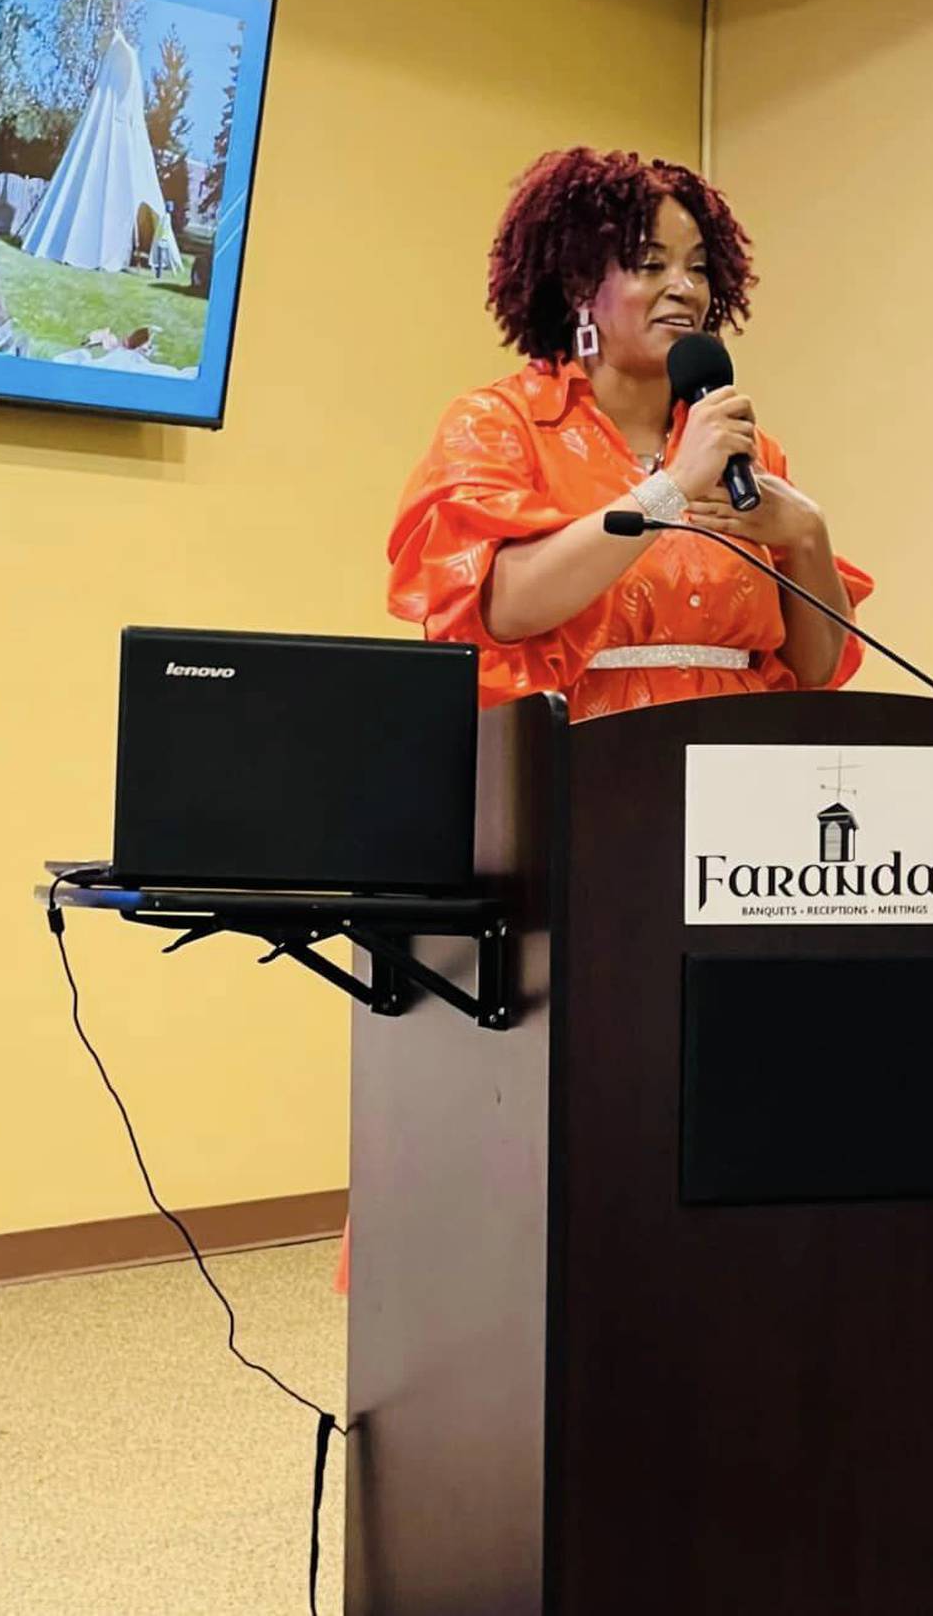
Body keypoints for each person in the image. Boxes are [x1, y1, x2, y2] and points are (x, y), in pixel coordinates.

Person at [333, 146, 873, 1291]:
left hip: (743, 810)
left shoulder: (742, 448)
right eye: (645, 262)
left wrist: (805, 532)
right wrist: (664, 491)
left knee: (733, 1098)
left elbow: (815, 659)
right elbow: (505, 602)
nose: (682, 288)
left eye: (696, 265)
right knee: (594, 1092)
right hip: (581, 786)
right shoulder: (500, 425)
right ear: (576, 282)